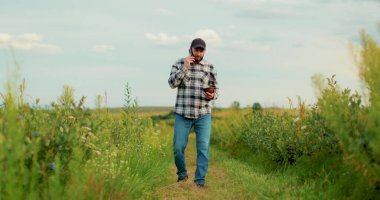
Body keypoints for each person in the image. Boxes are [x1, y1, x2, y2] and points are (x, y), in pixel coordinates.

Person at [168, 38, 219, 188]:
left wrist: (213, 95)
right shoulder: (178, 63)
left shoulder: (210, 67)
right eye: (196, 50)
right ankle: (182, 174)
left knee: (203, 148)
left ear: (204, 51)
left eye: (201, 50)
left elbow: (216, 90)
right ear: (190, 49)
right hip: (182, 113)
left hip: (203, 113)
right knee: (178, 148)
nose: (198, 53)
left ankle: (200, 182)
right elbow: (172, 84)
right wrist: (185, 67)